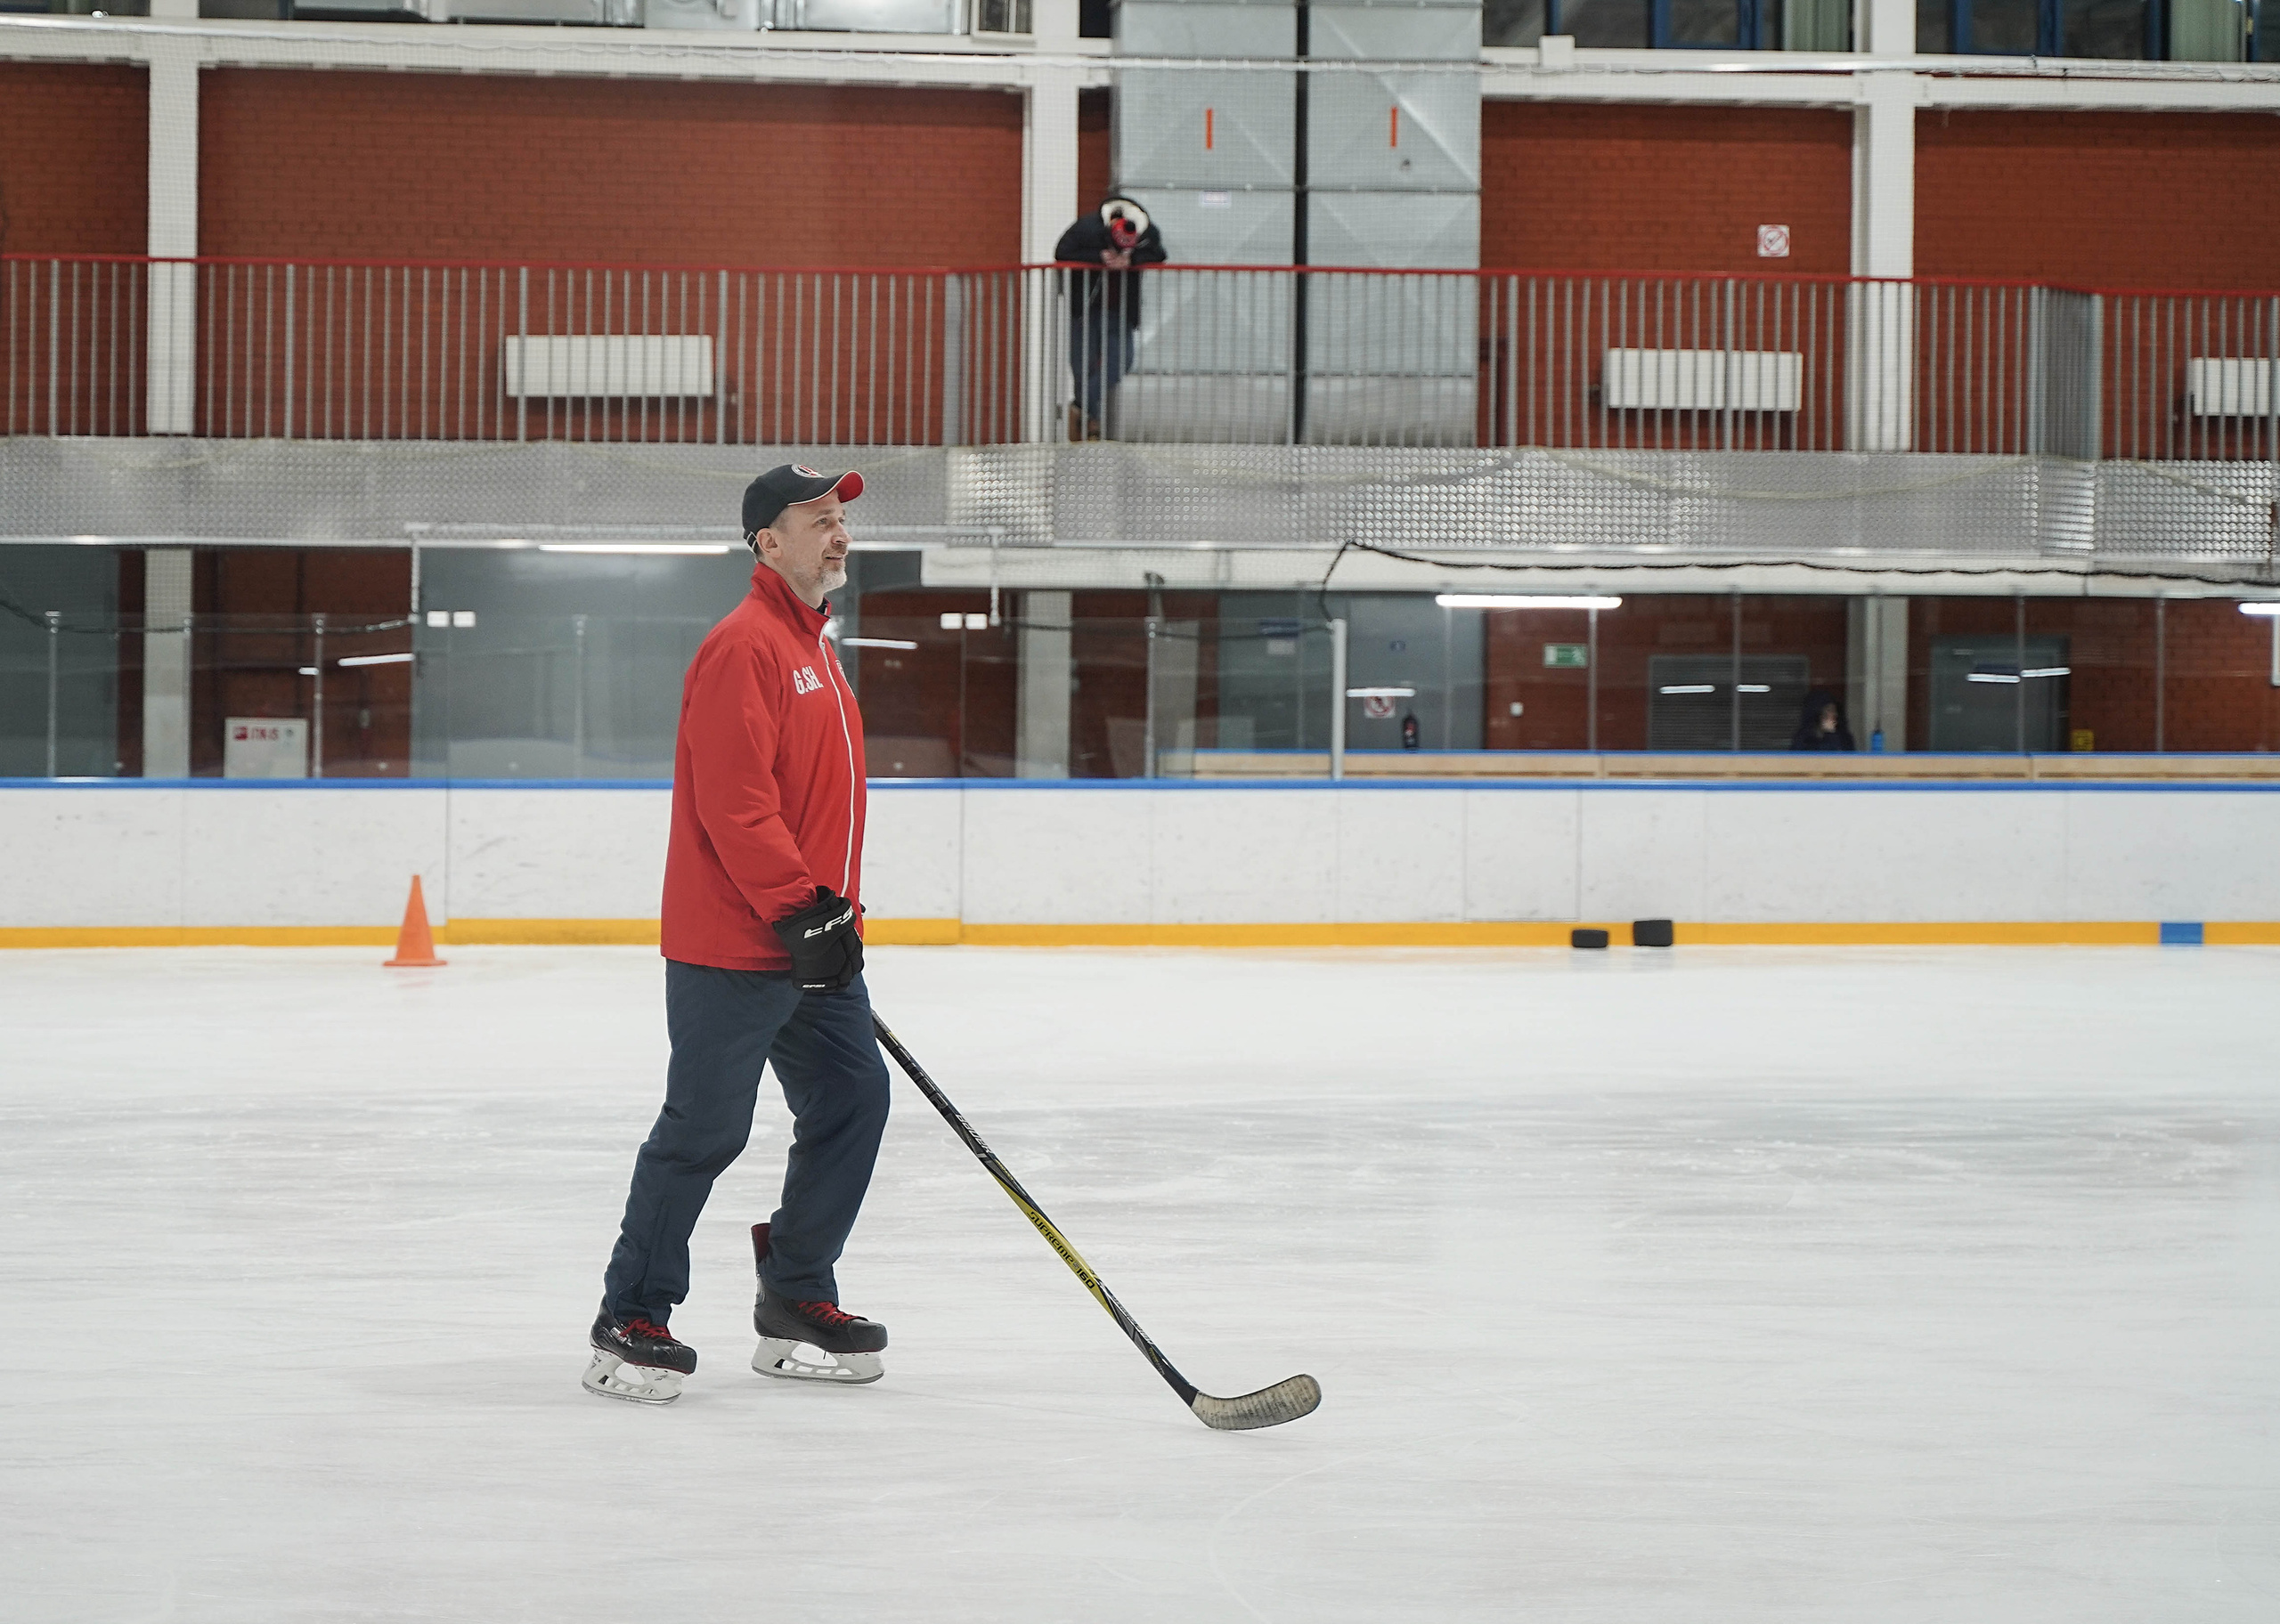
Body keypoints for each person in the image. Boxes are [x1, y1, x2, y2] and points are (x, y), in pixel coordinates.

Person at [582, 463, 893, 1406]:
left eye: (841, 520)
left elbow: (810, 803)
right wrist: (802, 907)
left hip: (809, 940)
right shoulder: (745, 646)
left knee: (853, 1101)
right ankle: (631, 1314)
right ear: (767, 541)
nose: (837, 535)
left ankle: (796, 1292)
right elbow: (735, 803)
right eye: (817, 521)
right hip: (736, 945)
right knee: (704, 1131)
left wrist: (829, 914)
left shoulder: (815, 650)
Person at [1054, 197, 1167, 441]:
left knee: (1120, 361)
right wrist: (1100, 258)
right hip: (1085, 308)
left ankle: (1080, 409)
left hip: (1119, 310)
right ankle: (1089, 425)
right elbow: (1062, 252)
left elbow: (1158, 253)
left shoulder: (1145, 230)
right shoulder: (1087, 228)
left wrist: (1131, 260)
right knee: (1082, 366)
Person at [1790, 687, 1858, 752]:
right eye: (1829, 710)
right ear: (1818, 713)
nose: (1834, 714)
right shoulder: (1803, 738)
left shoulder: (1844, 737)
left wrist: (1831, 734)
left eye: (1835, 710)